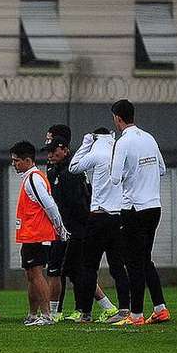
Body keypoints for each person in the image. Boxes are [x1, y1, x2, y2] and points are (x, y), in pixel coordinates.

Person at [42, 136, 120, 322]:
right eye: (49, 151)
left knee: (70, 269)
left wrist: (79, 227)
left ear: (65, 149)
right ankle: (102, 307)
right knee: (74, 270)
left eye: (54, 150)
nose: (51, 154)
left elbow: (80, 202)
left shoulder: (72, 171)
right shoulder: (55, 170)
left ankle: (77, 310)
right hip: (68, 229)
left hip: (77, 230)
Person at [109, 99, 170, 326]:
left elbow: (115, 178)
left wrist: (128, 173)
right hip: (154, 207)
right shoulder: (149, 138)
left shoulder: (123, 142)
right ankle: (160, 308)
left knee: (133, 262)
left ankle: (135, 316)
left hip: (133, 209)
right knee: (145, 260)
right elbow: (162, 169)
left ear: (117, 118)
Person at [69, 127, 131, 323]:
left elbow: (74, 167)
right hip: (118, 216)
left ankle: (86, 313)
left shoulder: (96, 151)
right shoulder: (119, 151)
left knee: (89, 267)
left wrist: (86, 143)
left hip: (97, 217)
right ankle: (124, 309)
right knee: (118, 266)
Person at [10, 141, 69, 326]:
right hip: (30, 235)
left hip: (38, 235)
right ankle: (33, 314)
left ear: (28, 160)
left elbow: (49, 204)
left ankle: (47, 315)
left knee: (36, 274)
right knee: (31, 275)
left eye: (17, 161)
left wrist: (60, 229)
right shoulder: (30, 178)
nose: (14, 164)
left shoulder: (34, 178)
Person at [43, 124, 72, 317]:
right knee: (66, 270)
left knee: (61, 270)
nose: (46, 143)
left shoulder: (72, 169)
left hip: (67, 227)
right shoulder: (52, 166)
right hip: (56, 226)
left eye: (49, 139)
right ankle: (104, 306)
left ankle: (56, 311)